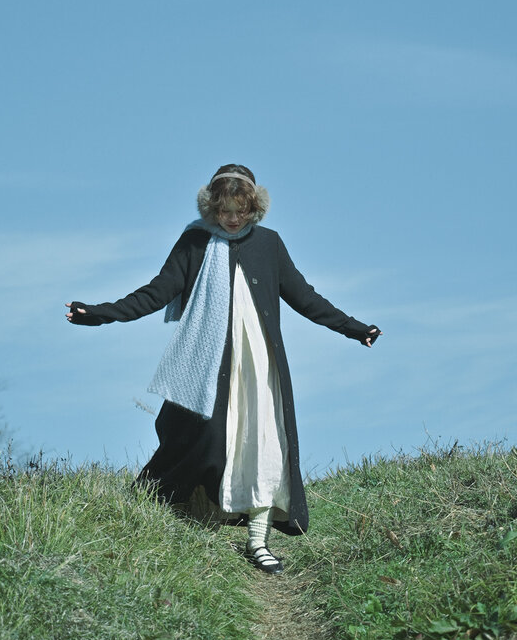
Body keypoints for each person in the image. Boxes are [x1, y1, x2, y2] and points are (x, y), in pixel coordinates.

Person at [65, 163, 381, 575]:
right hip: (209, 368)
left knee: (265, 445)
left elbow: (305, 297)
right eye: (224, 211)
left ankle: (258, 541)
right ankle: (179, 516)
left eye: (240, 210)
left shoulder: (269, 244)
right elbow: (156, 292)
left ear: (254, 208)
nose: (232, 219)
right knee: (207, 442)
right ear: (211, 208)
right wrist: (100, 313)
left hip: (260, 366)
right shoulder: (194, 242)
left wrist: (354, 328)